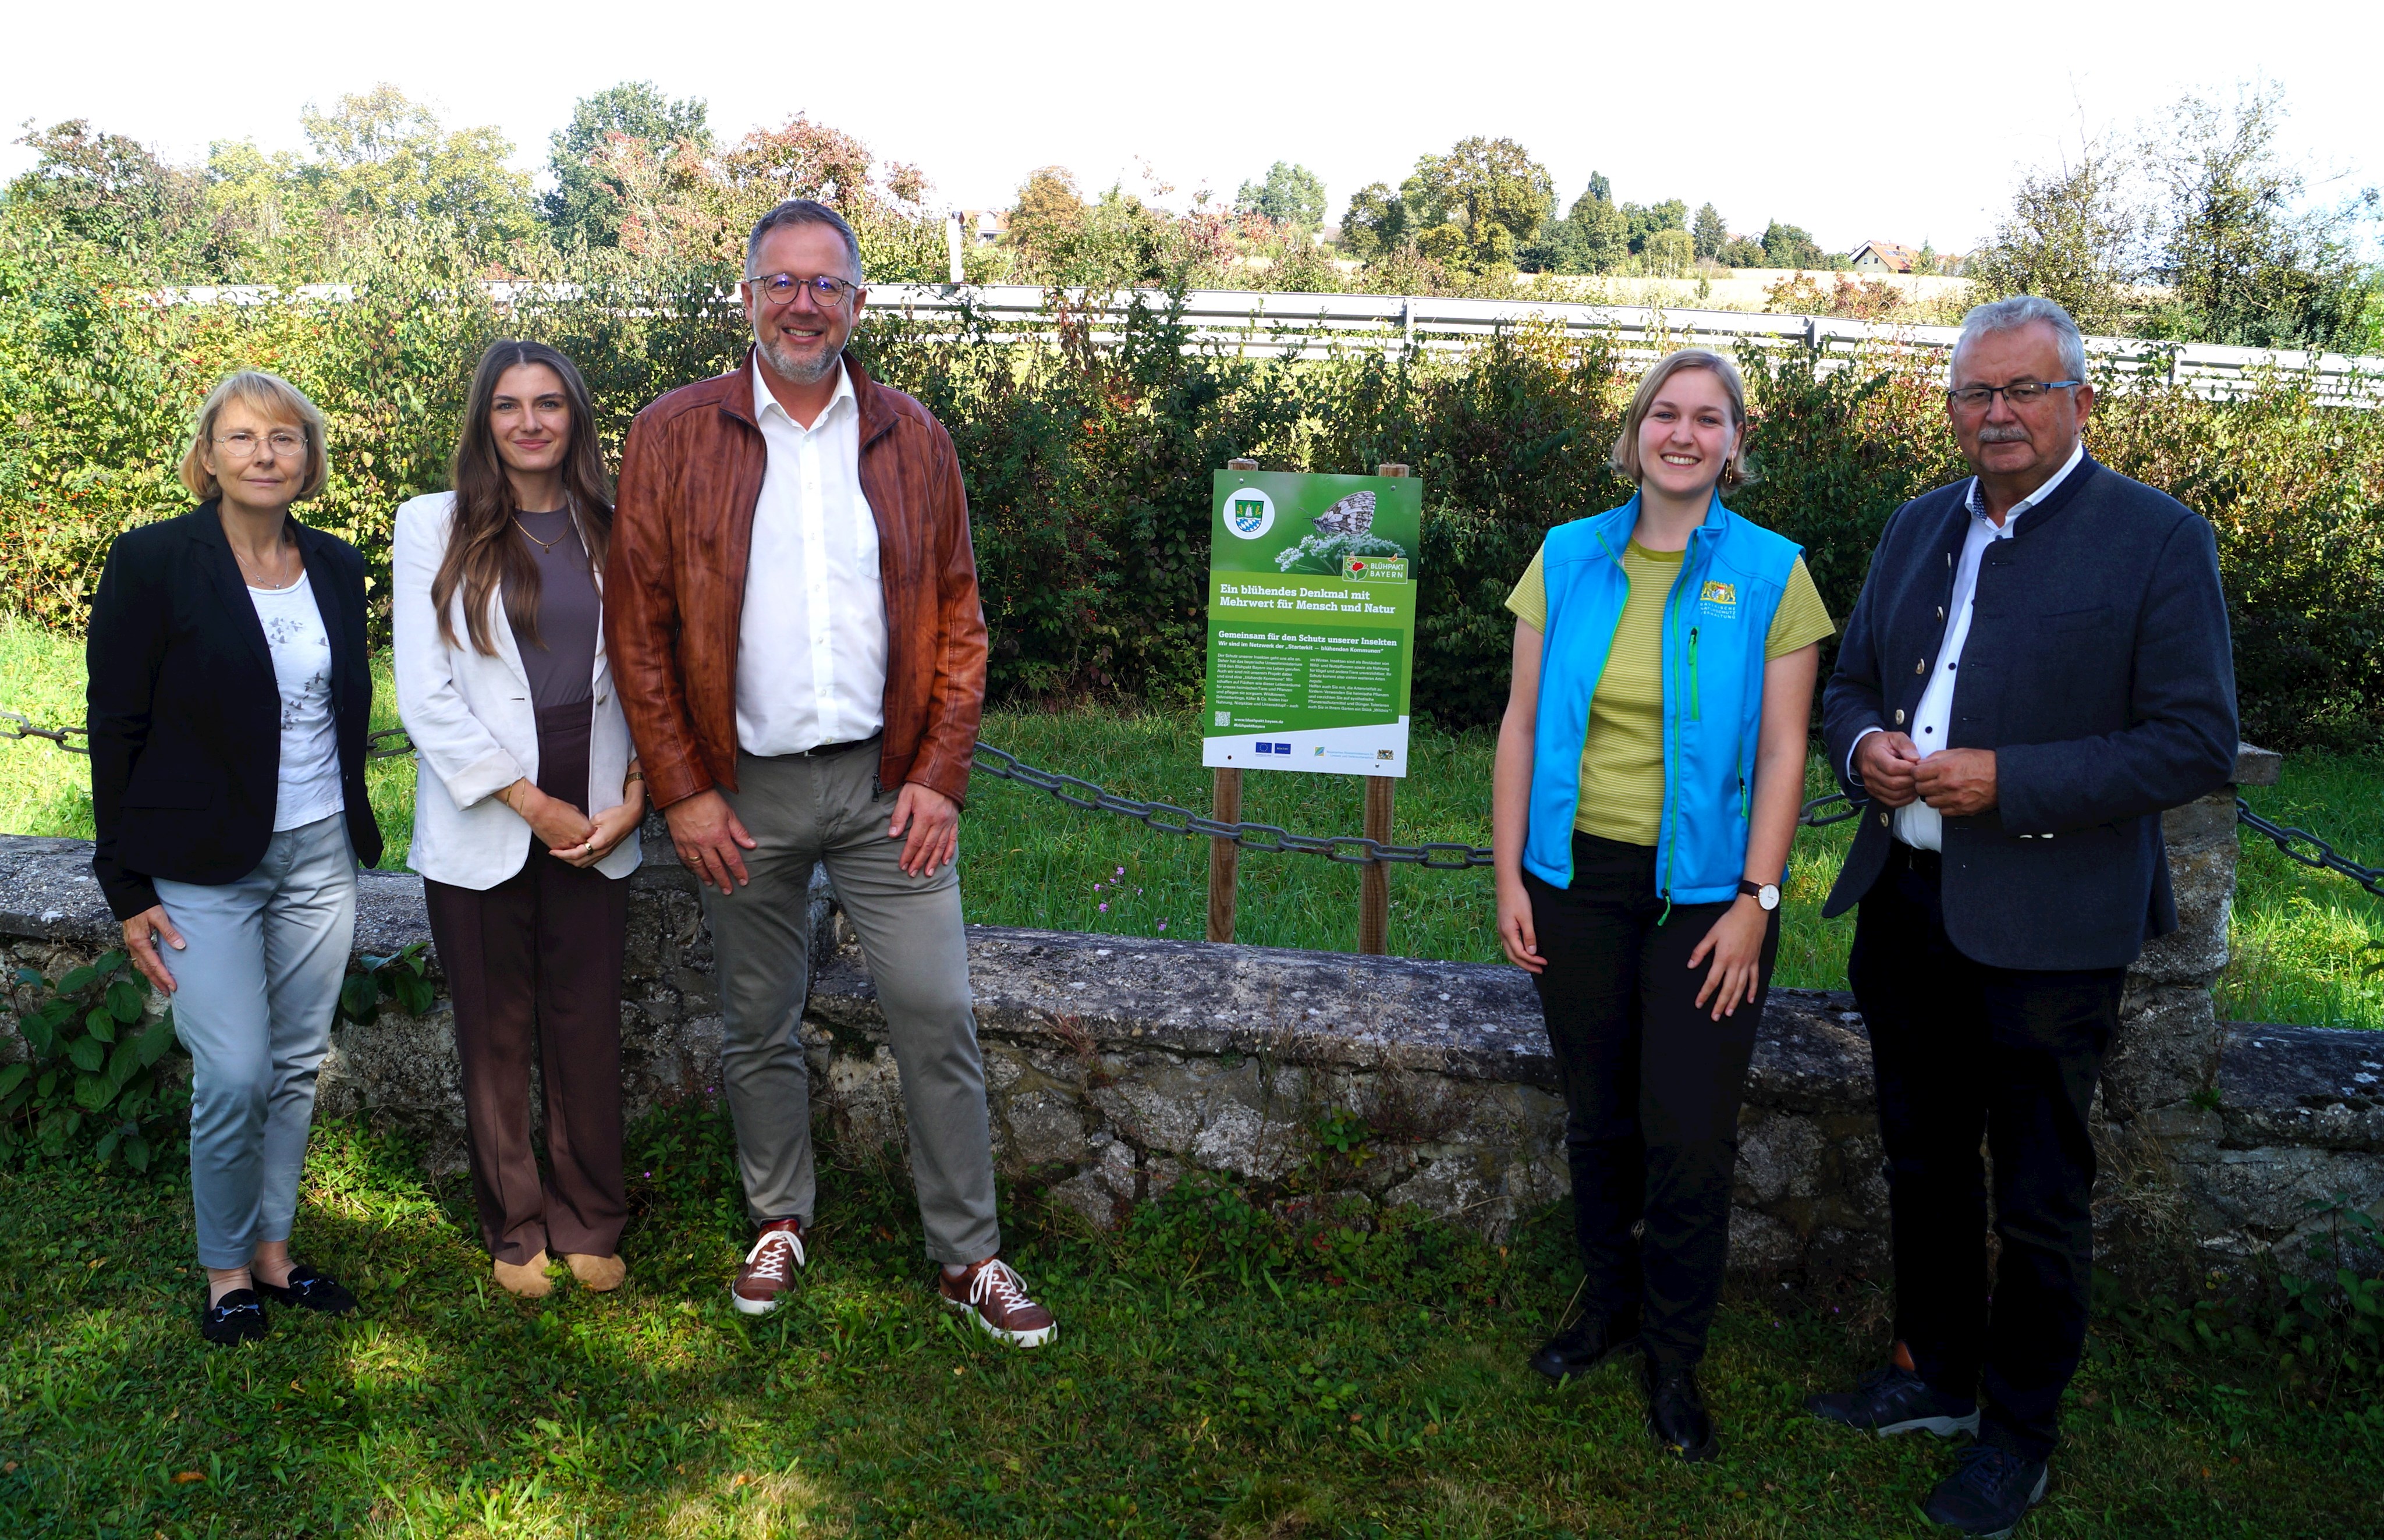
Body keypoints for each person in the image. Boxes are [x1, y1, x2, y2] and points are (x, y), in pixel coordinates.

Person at [1807, 296, 2237, 1536]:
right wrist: (1865, 750)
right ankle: (1932, 1376)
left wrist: (2012, 782)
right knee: (1921, 1161)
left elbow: (2192, 741)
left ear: (2077, 402)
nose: (1994, 413)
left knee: (2038, 1190)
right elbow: (1848, 687)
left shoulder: (2155, 540)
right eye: (1971, 394)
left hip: (2051, 921)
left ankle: (2017, 1432)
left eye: (2022, 391)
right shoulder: (1911, 527)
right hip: (1905, 899)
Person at [606, 198, 1054, 1346]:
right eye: (781, 282)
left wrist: (942, 775)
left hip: (881, 787)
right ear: (746, 296)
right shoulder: (671, 434)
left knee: (934, 1012)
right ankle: (778, 1220)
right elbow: (638, 629)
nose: (803, 304)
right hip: (736, 790)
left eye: (826, 285)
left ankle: (968, 1256)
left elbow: (959, 616)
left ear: (857, 304)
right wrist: (684, 789)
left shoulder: (911, 437)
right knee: (756, 1017)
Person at [1492, 348, 1833, 1460]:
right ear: (1636, 430)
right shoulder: (1566, 558)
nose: (1682, 434)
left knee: (1689, 1133)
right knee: (1599, 1113)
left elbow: (1788, 749)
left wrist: (1757, 899)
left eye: (1708, 419)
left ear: (1737, 442)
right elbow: (1520, 724)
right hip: (1577, 879)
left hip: (1711, 895)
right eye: (1664, 414)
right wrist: (1511, 874)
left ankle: (1675, 1353)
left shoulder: (1777, 574)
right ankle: (1609, 1302)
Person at [87, 371, 382, 1346]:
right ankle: (223, 1270)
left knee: (298, 1061)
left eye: (286, 437)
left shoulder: (338, 568)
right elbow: (115, 724)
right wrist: (124, 885)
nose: (266, 453)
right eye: (245, 436)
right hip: (201, 864)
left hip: (319, 851)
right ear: (208, 455)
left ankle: (272, 1253)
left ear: (309, 458)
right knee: (239, 1069)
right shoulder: (153, 562)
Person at [394, 340, 644, 1300]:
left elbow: (643, 674)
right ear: (483, 420)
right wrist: (529, 802)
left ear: (575, 417)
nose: (530, 422)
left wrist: (634, 797)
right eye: (508, 405)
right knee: (496, 1033)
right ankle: (514, 1225)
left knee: (585, 1022)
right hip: (490, 812)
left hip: (600, 808)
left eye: (549, 404)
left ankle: (591, 1216)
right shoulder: (434, 524)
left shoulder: (614, 525)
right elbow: (425, 692)